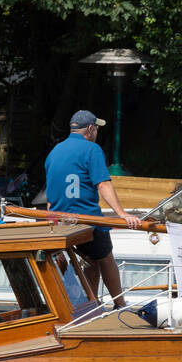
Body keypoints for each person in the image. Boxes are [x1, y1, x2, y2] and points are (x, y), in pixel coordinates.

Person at [45, 110, 142, 307]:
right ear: (90, 129)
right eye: (96, 128)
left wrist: (50, 220)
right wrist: (122, 214)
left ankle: (92, 303)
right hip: (87, 219)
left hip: (61, 221)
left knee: (90, 260)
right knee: (105, 257)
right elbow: (103, 184)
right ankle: (120, 304)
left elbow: (51, 191)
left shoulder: (54, 152)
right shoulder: (92, 149)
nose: (97, 132)